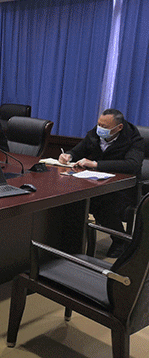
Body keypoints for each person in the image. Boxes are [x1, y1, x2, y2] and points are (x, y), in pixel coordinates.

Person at [59, 108, 144, 257]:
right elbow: (78, 151)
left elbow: (132, 165)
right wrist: (68, 156)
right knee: (72, 198)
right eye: (99, 124)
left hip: (123, 187)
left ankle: (120, 241)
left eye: (104, 126)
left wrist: (96, 164)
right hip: (96, 183)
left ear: (119, 127)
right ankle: (70, 243)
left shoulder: (134, 139)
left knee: (102, 202)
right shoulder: (95, 134)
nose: (100, 128)